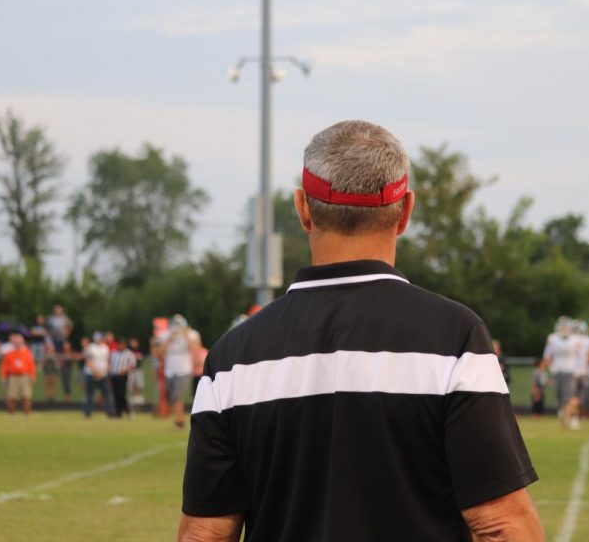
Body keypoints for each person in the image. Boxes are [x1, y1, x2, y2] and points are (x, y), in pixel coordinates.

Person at [179, 120, 542, 541]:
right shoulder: (455, 339)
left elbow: (205, 533)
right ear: (405, 211)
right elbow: (501, 525)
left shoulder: (232, 356)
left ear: (303, 209)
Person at [542, 317, 580, 429]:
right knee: (559, 397)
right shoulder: (552, 338)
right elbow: (547, 355)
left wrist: (579, 369)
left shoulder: (575, 339)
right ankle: (567, 416)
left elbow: (580, 356)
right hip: (557, 371)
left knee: (568, 397)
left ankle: (572, 418)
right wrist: (546, 371)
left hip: (570, 371)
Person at [160, 315, 193, 429]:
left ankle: (180, 421)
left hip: (184, 369)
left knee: (178, 395)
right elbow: (160, 354)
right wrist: (169, 339)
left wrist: (186, 335)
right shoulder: (165, 335)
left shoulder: (190, 334)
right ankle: (178, 419)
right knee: (172, 396)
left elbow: (194, 349)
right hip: (170, 369)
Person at [0, 332, 36, 416]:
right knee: (11, 397)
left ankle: (27, 415)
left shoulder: (27, 352)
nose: (17, 343)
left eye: (19, 342)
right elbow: (4, 366)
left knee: (26, 397)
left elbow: (31, 365)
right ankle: (11, 415)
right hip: (13, 377)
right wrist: (3, 376)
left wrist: (32, 375)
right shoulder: (9, 354)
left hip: (25, 376)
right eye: (16, 342)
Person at [83, 333, 113, 418]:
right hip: (91, 374)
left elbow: (107, 361)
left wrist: (103, 372)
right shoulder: (90, 348)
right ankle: (87, 412)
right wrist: (96, 372)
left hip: (103, 374)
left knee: (107, 393)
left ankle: (109, 411)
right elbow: (88, 361)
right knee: (90, 394)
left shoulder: (105, 348)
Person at [109, 338, 137, 418]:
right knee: (116, 395)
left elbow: (133, 365)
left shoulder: (129, 354)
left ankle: (128, 410)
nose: (120, 346)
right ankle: (118, 412)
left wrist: (124, 371)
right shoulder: (114, 353)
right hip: (114, 375)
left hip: (123, 376)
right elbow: (111, 364)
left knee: (122, 395)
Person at [189, 332, 208, 399]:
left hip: (202, 375)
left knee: (203, 393)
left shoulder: (204, 351)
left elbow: (203, 362)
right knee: (195, 393)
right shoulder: (191, 353)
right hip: (195, 375)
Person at [127, 338, 146, 406]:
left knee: (139, 384)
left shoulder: (140, 349)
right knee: (130, 385)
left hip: (138, 369)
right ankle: (131, 398)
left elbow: (142, 357)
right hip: (131, 370)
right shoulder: (128, 350)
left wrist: (139, 357)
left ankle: (139, 397)